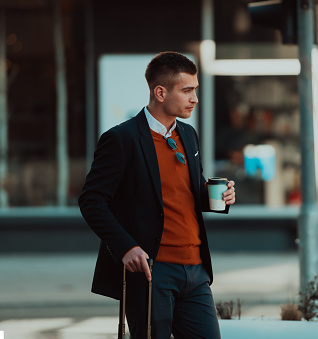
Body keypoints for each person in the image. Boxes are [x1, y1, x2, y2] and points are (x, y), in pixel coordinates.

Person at [79, 51, 235, 339]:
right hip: (153, 271)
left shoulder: (188, 135)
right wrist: (125, 247)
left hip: (196, 271)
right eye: (187, 90)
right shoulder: (122, 139)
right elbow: (91, 201)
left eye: (195, 90)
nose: (195, 99)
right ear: (160, 92)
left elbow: (188, 193)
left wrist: (218, 198)